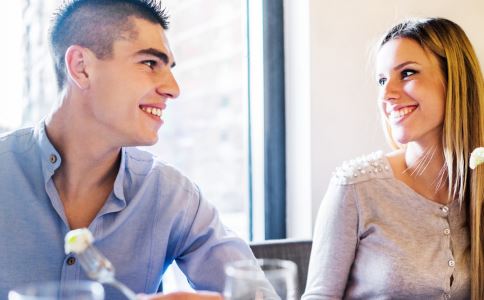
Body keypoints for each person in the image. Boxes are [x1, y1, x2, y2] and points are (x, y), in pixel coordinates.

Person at [0, 0, 258, 299]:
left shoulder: (170, 194)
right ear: (81, 68)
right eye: (150, 63)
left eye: (169, 68)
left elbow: (256, 293)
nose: (174, 89)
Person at [302, 18, 483, 300]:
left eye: (408, 73)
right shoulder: (355, 188)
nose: (387, 94)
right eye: (382, 80)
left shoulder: (478, 183)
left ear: (455, 81)